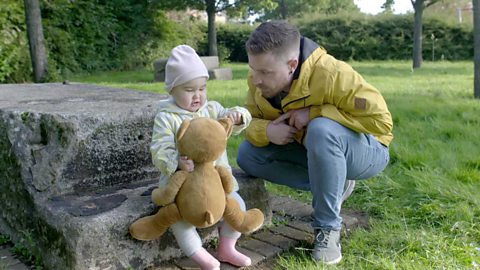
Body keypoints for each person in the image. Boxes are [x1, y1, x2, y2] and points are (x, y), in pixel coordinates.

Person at [236, 21, 393, 265]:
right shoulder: (258, 80)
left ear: (292, 65)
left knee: (321, 129)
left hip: (369, 151)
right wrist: (267, 129)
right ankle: (333, 184)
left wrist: (314, 112)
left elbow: (381, 124)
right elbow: (249, 121)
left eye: (265, 72)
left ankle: (327, 229)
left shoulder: (332, 73)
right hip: (312, 148)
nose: (256, 80)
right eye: (253, 69)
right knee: (248, 154)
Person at [151, 45, 253, 270]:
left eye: (202, 88)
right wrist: (175, 163)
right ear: (172, 90)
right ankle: (200, 256)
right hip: (182, 186)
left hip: (217, 181)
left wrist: (238, 117)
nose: (197, 95)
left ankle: (227, 247)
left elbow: (229, 125)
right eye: (189, 90)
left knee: (238, 205)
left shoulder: (212, 109)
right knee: (181, 221)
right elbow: (159, 148)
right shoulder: (167, 118)